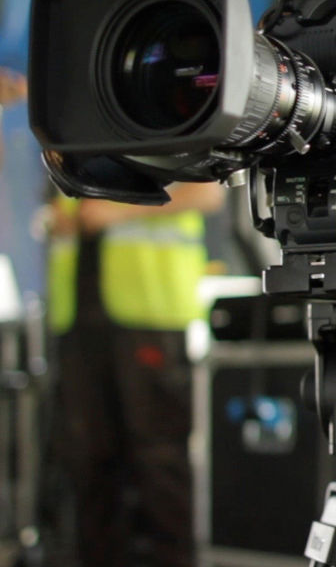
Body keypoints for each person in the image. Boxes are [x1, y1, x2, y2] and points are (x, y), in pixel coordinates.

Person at [46, 182, 225, 567]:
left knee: (159, 456)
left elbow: (209, 193)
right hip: (78, 315)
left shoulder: (168, 124)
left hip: (149, 312)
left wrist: (118, 209)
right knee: (88, 458)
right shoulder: (70, 130)